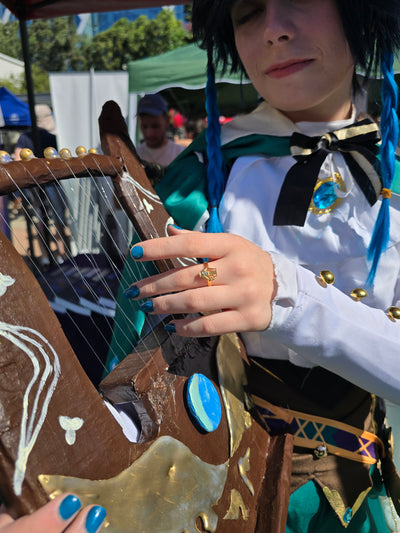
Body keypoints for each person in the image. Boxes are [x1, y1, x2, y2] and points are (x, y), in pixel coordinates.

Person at [111, 0, 400, 531]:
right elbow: (134, 381)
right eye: (245, 11)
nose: (271, 31)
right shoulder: (195, 185)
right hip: (226, 504)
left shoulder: (393, 170)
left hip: (370, 505)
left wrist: (289, 300)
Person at [14, 104, 72, 265]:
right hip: (53, 182)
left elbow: (17, 160)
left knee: (40, 220)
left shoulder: (25, 137)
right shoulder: (52, 136)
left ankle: (46, 255)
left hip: (34, 184)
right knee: (59, 219)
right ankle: (64, 254)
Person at [136, 93, 185, 167]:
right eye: (144, 126)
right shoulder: (133, 156)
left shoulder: (180, 155)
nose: (149, 133)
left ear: (167, 121)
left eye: (155, 126)